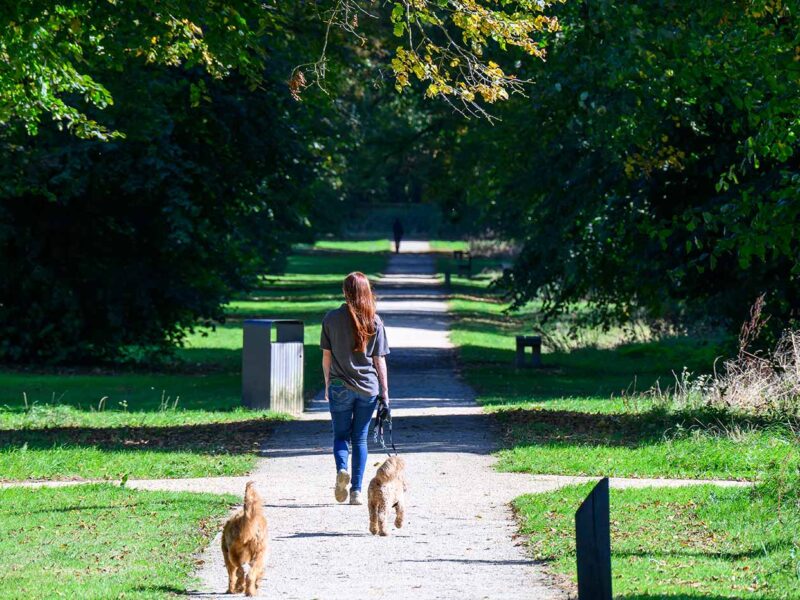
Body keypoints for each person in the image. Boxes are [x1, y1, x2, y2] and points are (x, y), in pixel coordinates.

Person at [321, 272, 390, 505]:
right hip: (367, 388)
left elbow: (326, 357)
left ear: (344, 292)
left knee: (340, 436)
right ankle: (357, 491)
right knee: (359, 438)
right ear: (366, 292)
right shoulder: (375, 321)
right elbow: (379, 360)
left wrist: (327, 384)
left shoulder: (331, 319)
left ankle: (342, 469)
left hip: (339, 386)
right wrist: (385, 392)